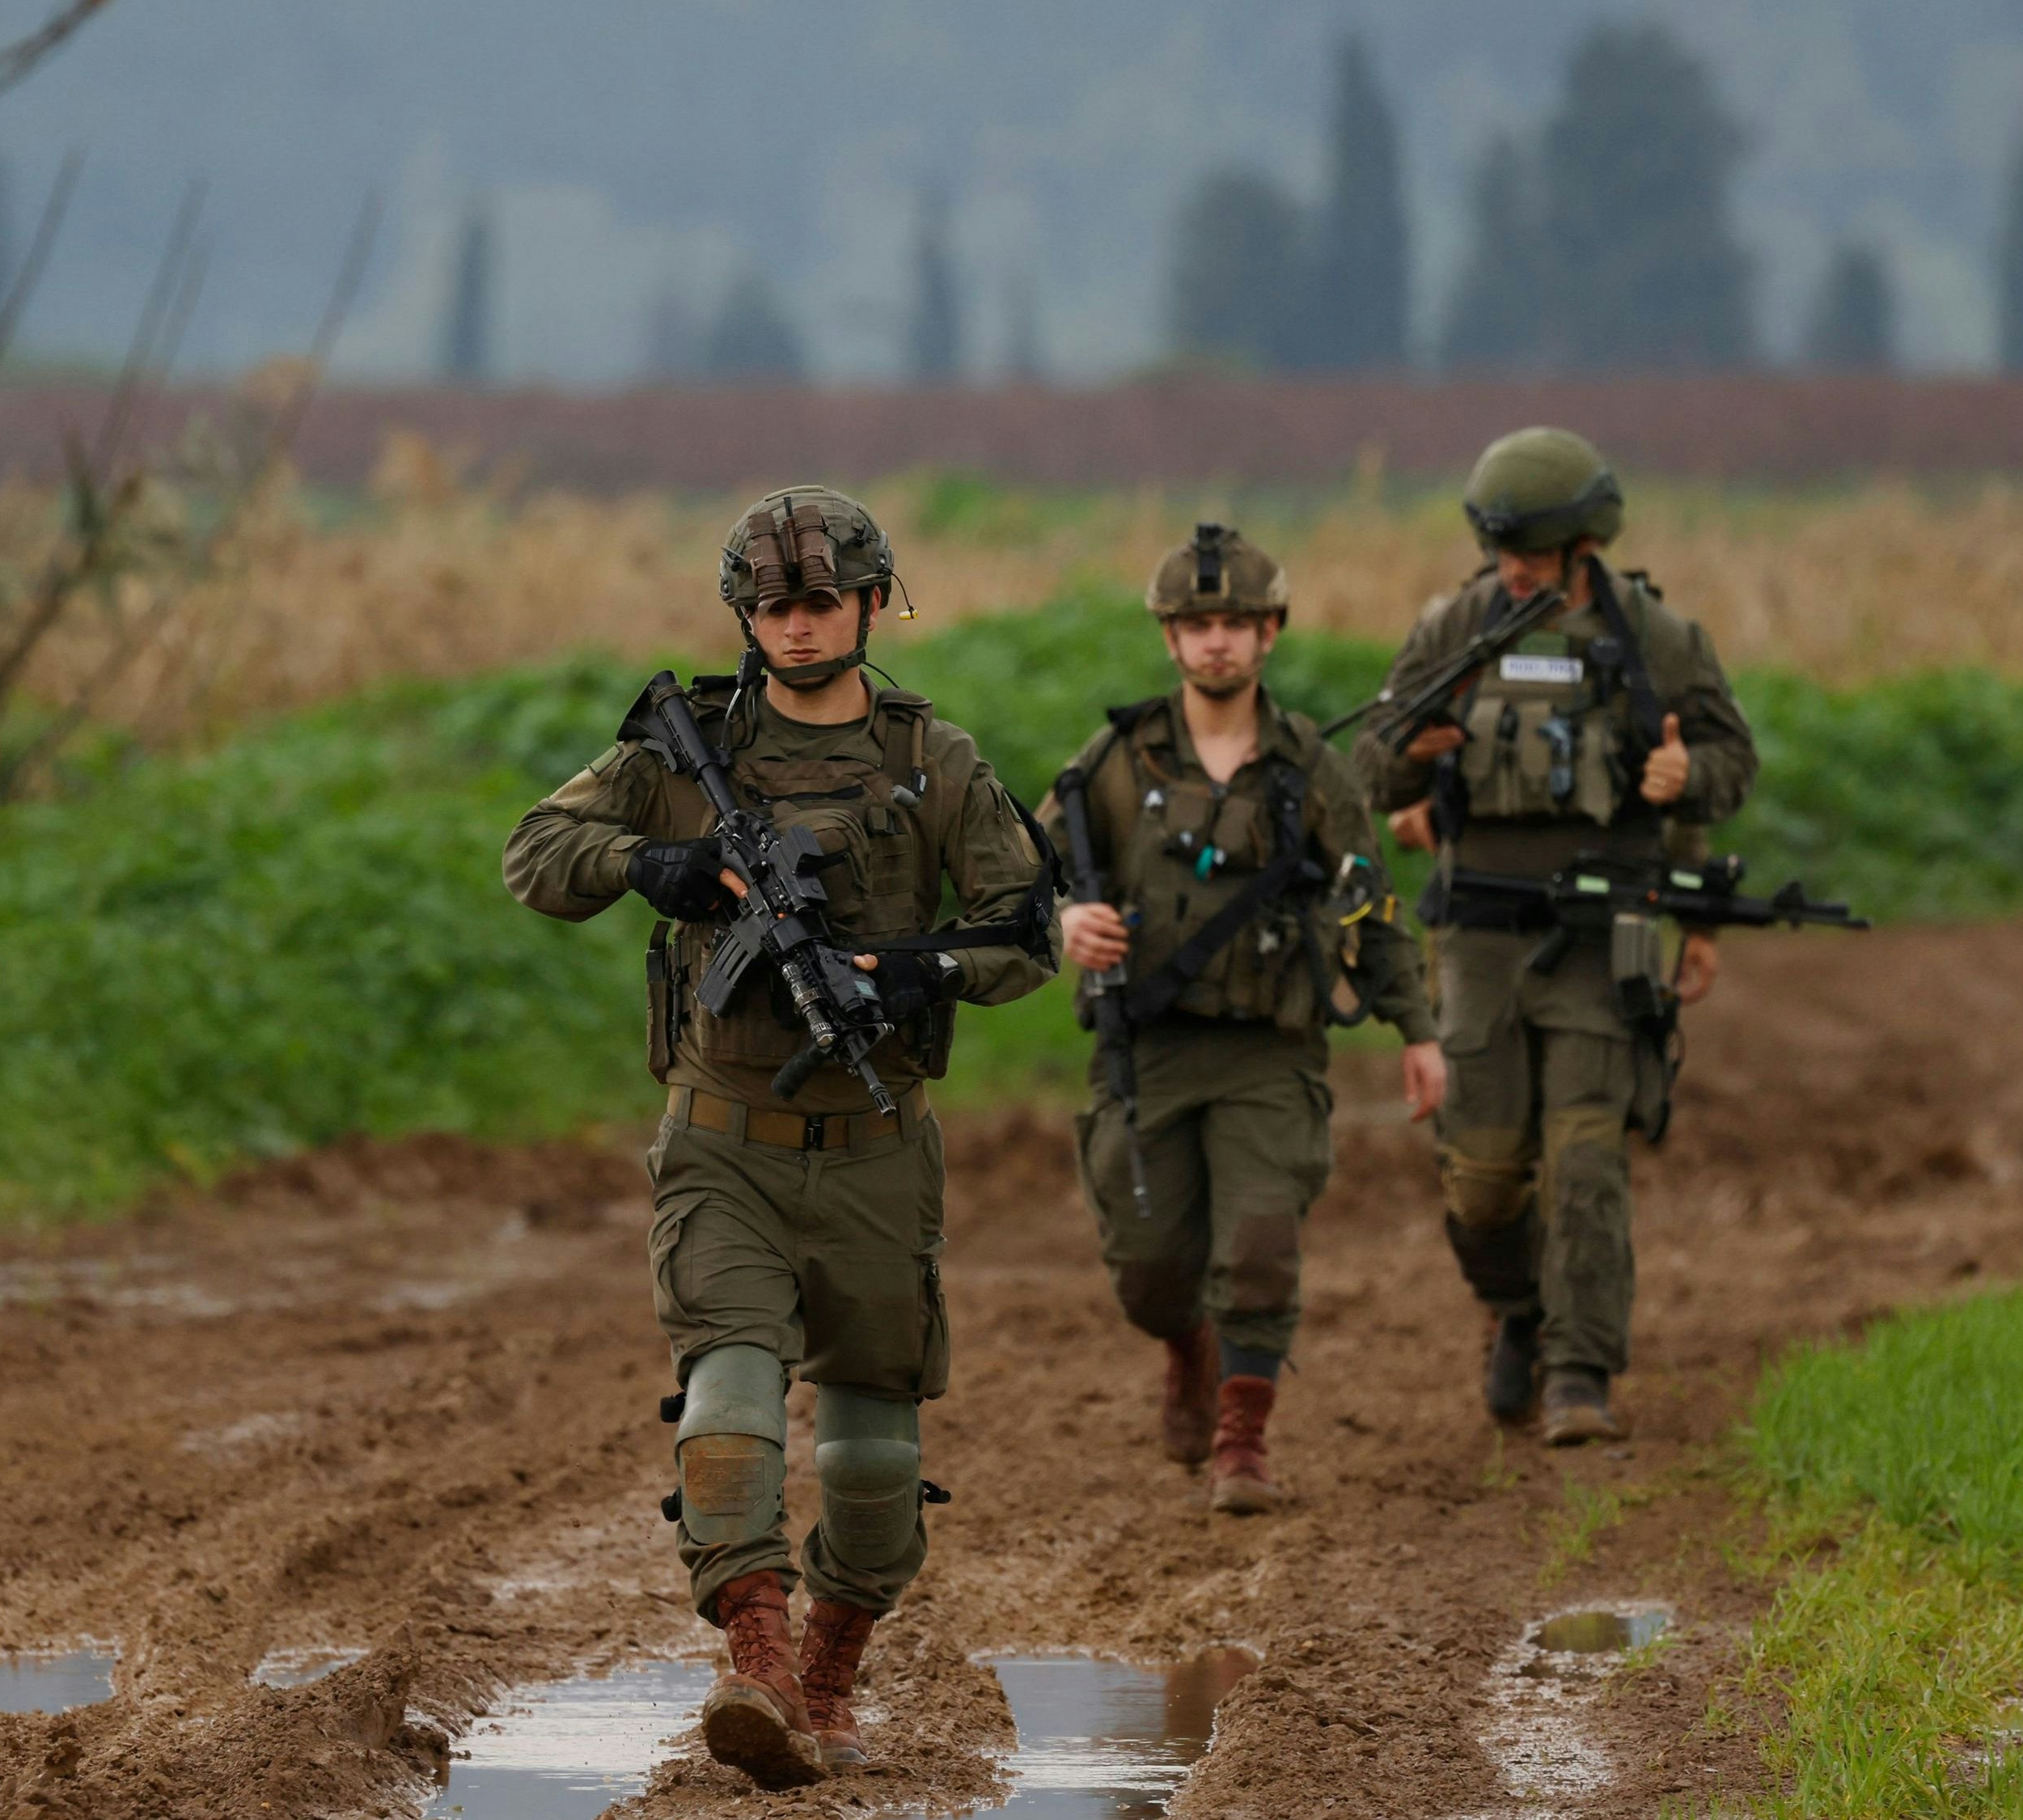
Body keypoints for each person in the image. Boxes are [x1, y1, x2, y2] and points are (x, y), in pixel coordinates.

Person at [502, 487, 1055, 1788]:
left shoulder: (934, 758)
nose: (797, 625)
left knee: (873, 1460)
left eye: (819, 601)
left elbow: (1026, 927)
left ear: (871, 603)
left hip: (876, 1145)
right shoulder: (686, 749)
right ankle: (754, 1664)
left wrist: (921, 971)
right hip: (722, 1141)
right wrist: (652, 866)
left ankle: (828, 1676)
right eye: (772, 606)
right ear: (743, 616)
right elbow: (537, 854)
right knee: (730, 1402)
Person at [1351, 430, 1758, 1447]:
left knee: (1586, 1160)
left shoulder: (1658, 638)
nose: (1513, 569)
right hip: (1477, 936)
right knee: (1482, 1176)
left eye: (1530, 549)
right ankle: (1519, 1312)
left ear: (1585, 543)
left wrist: (1687, 781)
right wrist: (1410, 756)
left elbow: (1731, 760)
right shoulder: (1452, 627)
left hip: (1601, 937)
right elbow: (1366, 769)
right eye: (1499, 548)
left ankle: (1581, 1372)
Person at [1039, 526, 1443, 1514]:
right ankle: (1190, 1348)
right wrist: (1065, 920)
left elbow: (1368, 904)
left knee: (1259, 1249)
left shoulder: (1311, 769)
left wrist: (1418, 1031)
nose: (1216, 640)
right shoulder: (1116, 760)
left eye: (1235, 622)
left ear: (1270, 633)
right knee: (1148, 1271)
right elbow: (1024, 871)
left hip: (1272, 1050)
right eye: (1197, 624)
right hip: (1149, 1049)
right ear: (1170, 638)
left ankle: (1243, 1441)